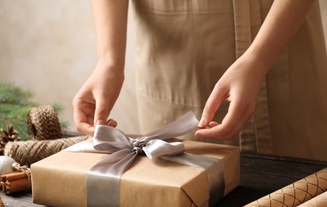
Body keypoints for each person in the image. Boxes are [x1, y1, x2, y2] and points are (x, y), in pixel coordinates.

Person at [73, 0, 327, 161]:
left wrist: (259, 59)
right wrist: (109, 61)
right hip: (174, 62)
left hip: (285, 43)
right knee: (181, 198)